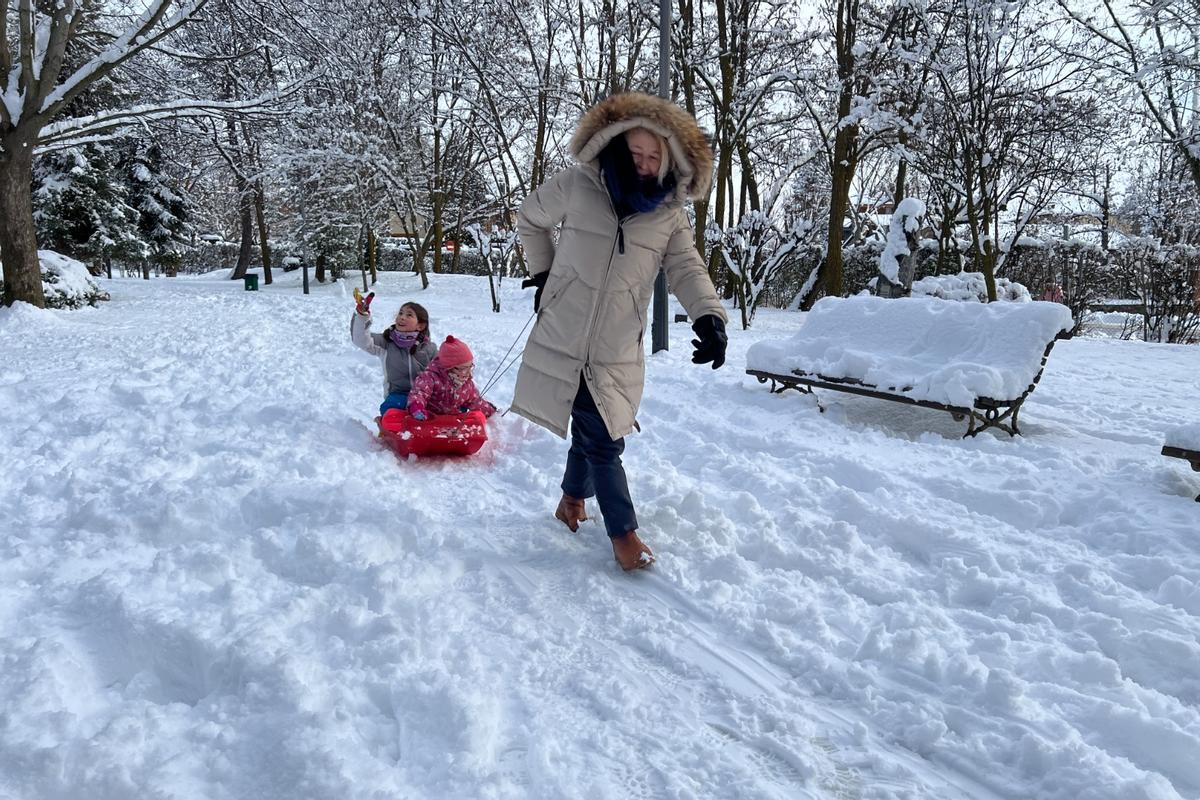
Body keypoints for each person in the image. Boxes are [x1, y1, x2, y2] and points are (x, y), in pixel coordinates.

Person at [511, 92, 729, 572]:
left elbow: (687, 267)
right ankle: (623, 534)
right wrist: (546, 273)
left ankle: (571, 500)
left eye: (656, 157)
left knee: (598, 430)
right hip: (566, 331)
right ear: (615, 146)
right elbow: (530, 219)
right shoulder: (577, 184)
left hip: (615, 344)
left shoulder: (669, 214)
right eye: (636, 154)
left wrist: (708, 316)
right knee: (604, 439)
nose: (646, 165)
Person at [350, 290, 437, 415]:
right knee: (392, 408)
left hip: (426, 395)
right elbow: (360, 339)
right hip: (399, 395)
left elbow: (444, 368)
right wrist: (362, 316)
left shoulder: (429, 348)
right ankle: (395, 426)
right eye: (400, 313)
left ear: (420, 326)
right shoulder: (386, 343)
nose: (402, 317)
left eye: (409, 315)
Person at [407, 335, 498, 421]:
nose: (468, 372)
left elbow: (475, 402)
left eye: (470, 367)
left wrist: (491, 412)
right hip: (428, 418)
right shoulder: (430, 377)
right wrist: (416, 407)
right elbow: (419, 392)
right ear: (448, 367)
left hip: (451, 422)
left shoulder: (466, 385)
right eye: (463, 368)